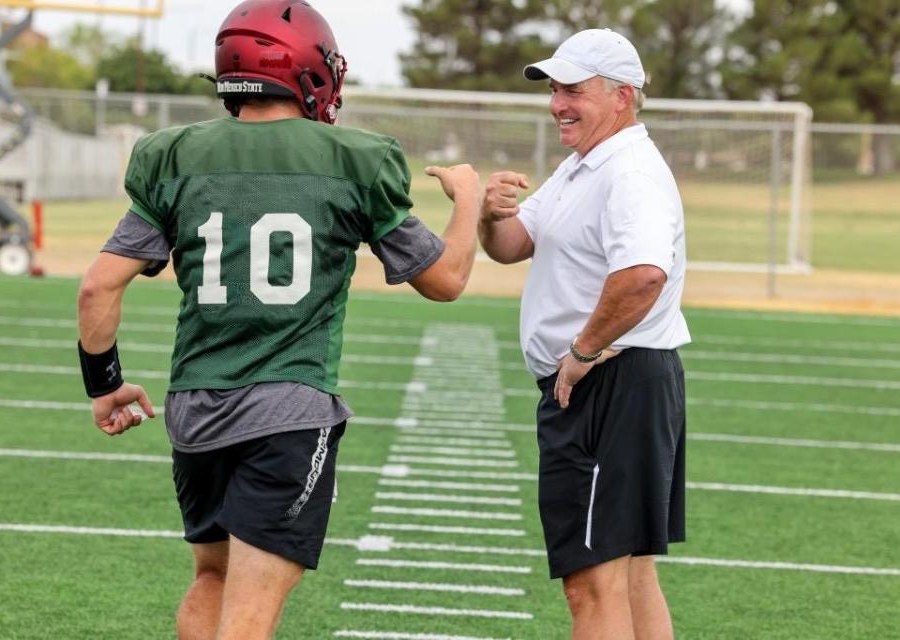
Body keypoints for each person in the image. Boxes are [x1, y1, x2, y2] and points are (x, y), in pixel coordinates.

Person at [75, 1, 480, 638]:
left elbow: (98, 289)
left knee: (211, 579)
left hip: (195, 409)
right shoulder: (355, 158)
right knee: (251, 612)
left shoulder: (173, 154)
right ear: (309, 71)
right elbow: (446, 281)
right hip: (288, 409)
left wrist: (104, 386)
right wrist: (470, 201)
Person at [478, 28, 691, 640]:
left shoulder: (629, 172)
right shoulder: (585, 166)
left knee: (592, 581)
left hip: (610, 382)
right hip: (620, 382)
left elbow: (643, 274)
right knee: (628, 575)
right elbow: (515, 244)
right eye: (554, 89)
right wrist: (492, 216)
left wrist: (580, 352)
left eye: (573, 89)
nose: (556, 103)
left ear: (621, 95)